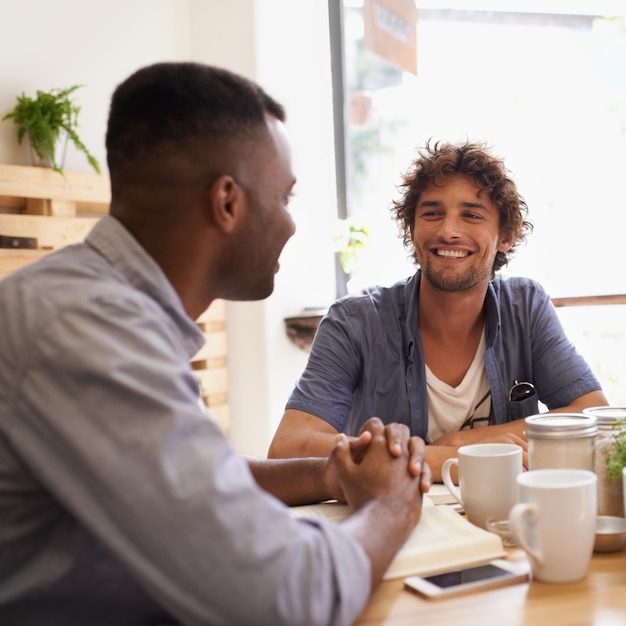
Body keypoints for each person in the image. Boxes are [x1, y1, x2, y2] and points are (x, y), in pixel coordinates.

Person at [0, 62, 432, 626]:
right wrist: (391, 505)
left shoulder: (96, 307)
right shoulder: (86, 332)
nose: (291, 225)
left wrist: (329, 473)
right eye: (285, 197)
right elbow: (288, 597)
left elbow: (193, 477)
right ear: (227, 203)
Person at [268, 140, 609, 481]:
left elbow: (595, 416)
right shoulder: (355, 322)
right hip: (393, 525)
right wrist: (451, 459)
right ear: (411, 229)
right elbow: (289, 447)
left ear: (504, 236)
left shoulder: (525, 307)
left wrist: (465, 441)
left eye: (471, 215)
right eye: (431, 213)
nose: (448, 231)